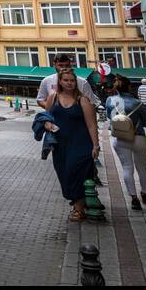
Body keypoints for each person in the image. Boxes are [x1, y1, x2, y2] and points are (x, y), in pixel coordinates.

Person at [41, 69, 101, 222]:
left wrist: (95, 145)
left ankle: (79, 210)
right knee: (64, 175)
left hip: (80, 144)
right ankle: (77, 205)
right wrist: (46, 123)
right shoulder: (53, 98)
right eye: (66, 80)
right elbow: (45, 117)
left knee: (75, 173)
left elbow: (91, 125)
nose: (69, 83)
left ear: (76, 83)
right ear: (59, 82)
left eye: (72, 81)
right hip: (60, 145)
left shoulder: (83, 100)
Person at [105, 75, 146, 210]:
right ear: (130, 87)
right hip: (138, 138)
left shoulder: (110, 100)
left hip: (120, 139)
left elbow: (110, 117)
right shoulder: (137, 103)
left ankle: (133, 198)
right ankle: (145, 193)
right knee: (142, 168)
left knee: (127, 168)